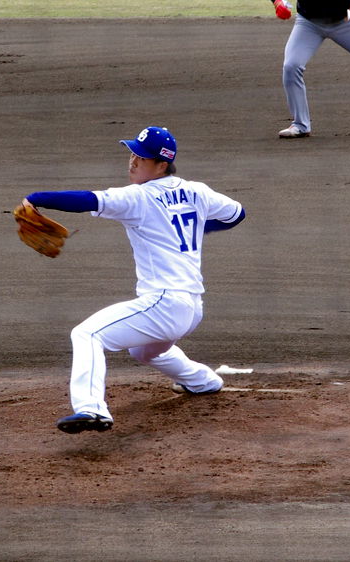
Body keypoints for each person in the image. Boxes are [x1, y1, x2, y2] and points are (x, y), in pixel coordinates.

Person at [20, 127, 246, 434]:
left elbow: (87, 200)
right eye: (132, 154)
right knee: (144, 351)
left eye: (142, 158)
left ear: (162, 165)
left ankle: (91, 408)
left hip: (164, 304)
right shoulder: (197, 191)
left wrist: (36, 198)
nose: (133, 162)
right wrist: (198, 229)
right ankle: (203, 381)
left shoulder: (139, 197)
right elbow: (237, 214)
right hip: (191, 308)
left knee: (87, 334)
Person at [272, 0, 350, 138]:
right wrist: (277, 1)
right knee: (291, 66)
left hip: (345, 21)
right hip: (308, 23)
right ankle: (300, 125)